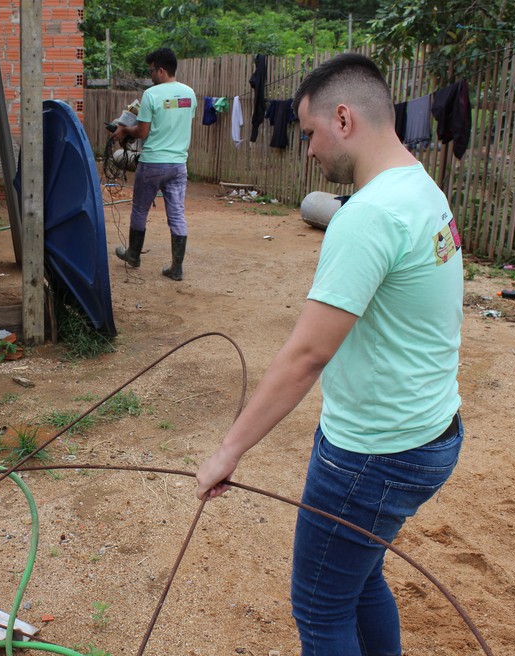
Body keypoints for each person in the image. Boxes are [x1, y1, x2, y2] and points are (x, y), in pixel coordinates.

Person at [195, 53, 464, 656]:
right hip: (430, 432)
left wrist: (227, 452)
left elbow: (305, 356)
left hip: (377, 451)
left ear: (344, 119)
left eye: (311, 133)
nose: (308, 150)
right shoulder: (421, 188)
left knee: (319, 607)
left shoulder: (368, 216)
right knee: (361, 579)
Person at [111, 47, 196, 281]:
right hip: (178, 164)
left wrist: (123, 130)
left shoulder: (152, 95)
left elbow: (142, 132)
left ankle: (133, 255)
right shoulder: (190, 94)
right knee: (177, 214)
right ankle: (176, 268)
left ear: (161, 70)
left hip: (153, 164)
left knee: (140, 209)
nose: (150, 75)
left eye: (151, 71)